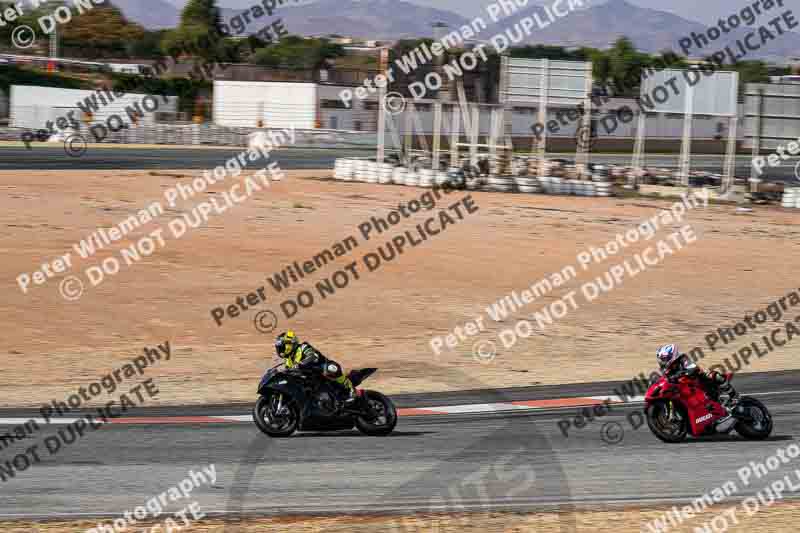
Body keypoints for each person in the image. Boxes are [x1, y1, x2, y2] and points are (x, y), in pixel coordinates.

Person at [274, 330, 357, 405]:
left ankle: (350, 389)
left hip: (320, 369)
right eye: (279, 347)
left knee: (331, 368)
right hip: (307, 378)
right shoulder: (288, 359)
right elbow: (288, 372)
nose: (280, 350)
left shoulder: (303, 348)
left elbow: (312, 356)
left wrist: (300, 364)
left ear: (290, 344)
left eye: (282, 347)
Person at [656, 344, 734, 401]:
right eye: (662, 359)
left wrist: (679, 375)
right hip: (682, 388)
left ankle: (732, 394)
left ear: (672, 355)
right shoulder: (666, 368)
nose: (662, 361)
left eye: (664, 358)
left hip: (698, 380)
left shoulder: (683, 359)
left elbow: (693, 368)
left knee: (714, 375)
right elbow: (664, 378)